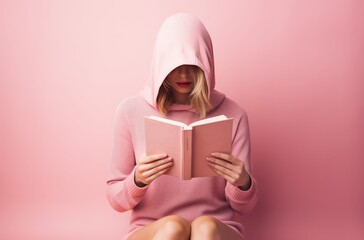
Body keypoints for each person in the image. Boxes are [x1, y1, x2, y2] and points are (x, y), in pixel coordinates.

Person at [107, 13, 258, 240]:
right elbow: (115, 199)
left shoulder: (234, 114)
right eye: (175, 64)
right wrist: (137, 180)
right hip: (153, 230)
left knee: (204, 228)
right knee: (173, 228)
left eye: (192, 64)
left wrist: (243, 183)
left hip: (216, 230)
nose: (184, 74)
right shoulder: (130, 111)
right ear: (161, 62)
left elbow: (244, 209)